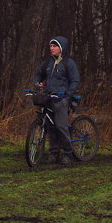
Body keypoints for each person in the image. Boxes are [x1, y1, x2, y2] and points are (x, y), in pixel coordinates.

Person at [34, 36, 80, 166]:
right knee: (50, 127)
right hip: (48, 97)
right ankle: (53, 152)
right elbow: (39, 73)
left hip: (62, 99)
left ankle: (67, 154)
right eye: (51, 46)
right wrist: (38, 83)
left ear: (61, 48)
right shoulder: (48, 62)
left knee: (61, 126)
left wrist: (67, 95)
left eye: (54, 46)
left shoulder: (69, 63)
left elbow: (75, 81)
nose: (52, 48)